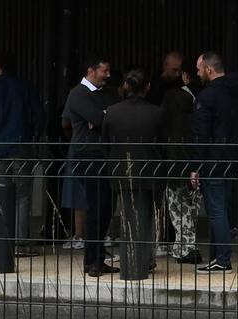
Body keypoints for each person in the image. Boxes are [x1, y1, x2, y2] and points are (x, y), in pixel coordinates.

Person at [189, 51, 238, 272]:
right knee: (224, 208)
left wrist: (195, 166)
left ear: (209, 69)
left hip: (213, 159)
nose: (197, 73)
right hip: (234, 158)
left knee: (216, 209)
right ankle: (218, 256)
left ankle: (223, 258)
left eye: (199, 69)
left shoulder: (207, 96)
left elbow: (201, 134)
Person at [0, 54, 44, 244]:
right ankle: (21, 241)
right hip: (22, 145)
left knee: (1, 193)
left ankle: (2, 240)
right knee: (23, 195)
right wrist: (34, 137)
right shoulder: (25, 87)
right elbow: (39, 116)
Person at [100, 67, 162, 276]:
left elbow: (105, 143)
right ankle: (144, 261)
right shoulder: (156, 112)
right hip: (147, 169)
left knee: (126, 215)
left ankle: (130, 261)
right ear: (147, 88)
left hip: (120, 169)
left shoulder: (112, 112)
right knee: (146, 217)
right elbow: (161, 144)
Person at [61, 55, 115, 268]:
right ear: (91, 71)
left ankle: (97, 256)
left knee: (105, 207)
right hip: (88, 156)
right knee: (96, 207)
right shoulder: (78, 94)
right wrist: (99, 119)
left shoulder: (101, 93)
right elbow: (101, 119)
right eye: (105, 70)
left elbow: (109, 116)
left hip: (101, 156)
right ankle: (93, 260)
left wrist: (102, 118)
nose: (108, 75)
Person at [154, 52, 200, 261]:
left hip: (175, 158)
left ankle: (185, 248)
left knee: (177, 205)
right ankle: (188, 246)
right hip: (194, 158)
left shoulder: (174, 97)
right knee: (190, 206)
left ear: (184, 75)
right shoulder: (198, 96)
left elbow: (165, 127)